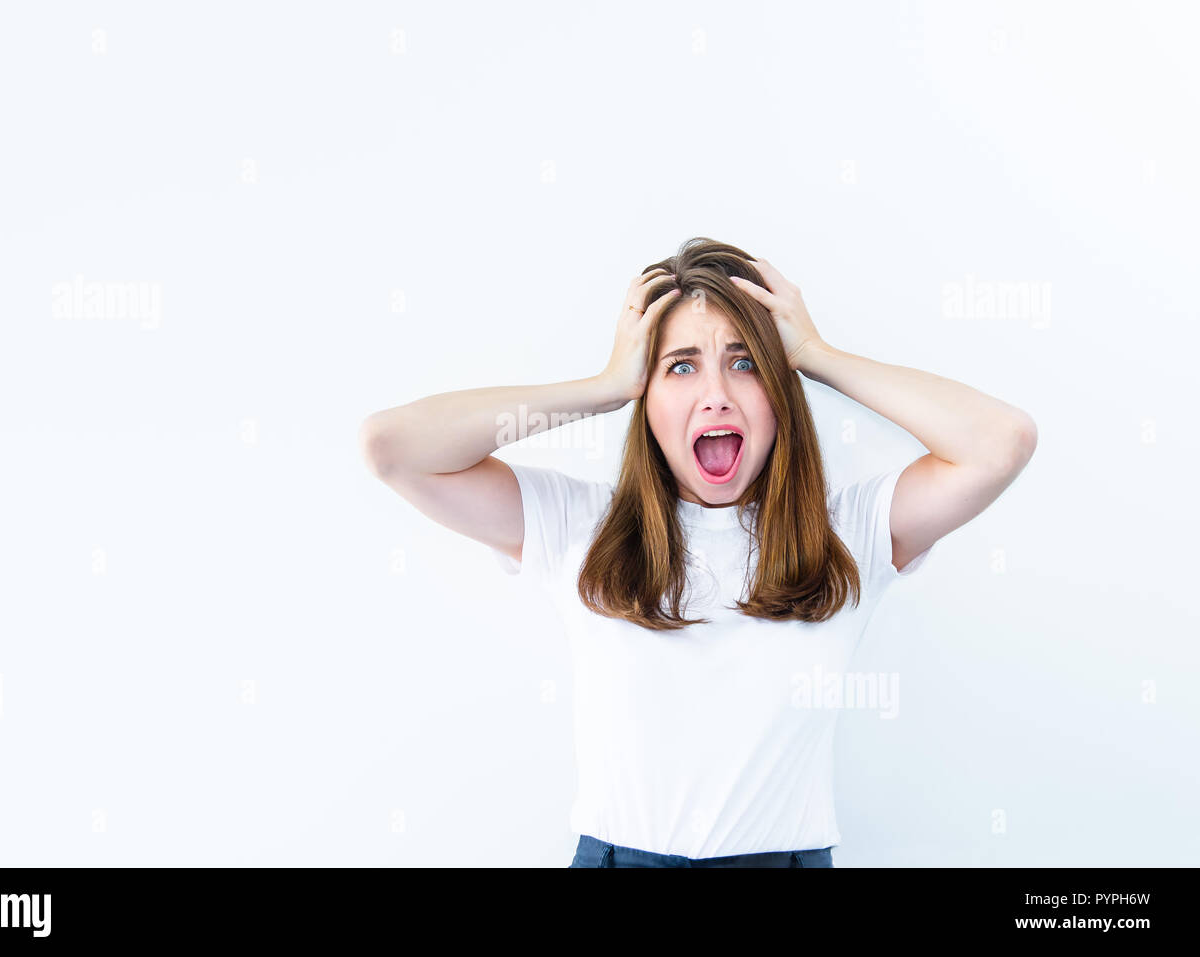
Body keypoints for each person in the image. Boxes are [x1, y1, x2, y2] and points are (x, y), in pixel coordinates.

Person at [358, 237, 1038, 867]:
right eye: (680, 366)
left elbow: (1001, 441)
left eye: (744, 362)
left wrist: (817, 354)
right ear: (646, 399)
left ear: (778, 392)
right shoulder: (577, 525)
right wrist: (603, 386)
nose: (715, 394)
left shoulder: (849, 531)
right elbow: (392, 447)